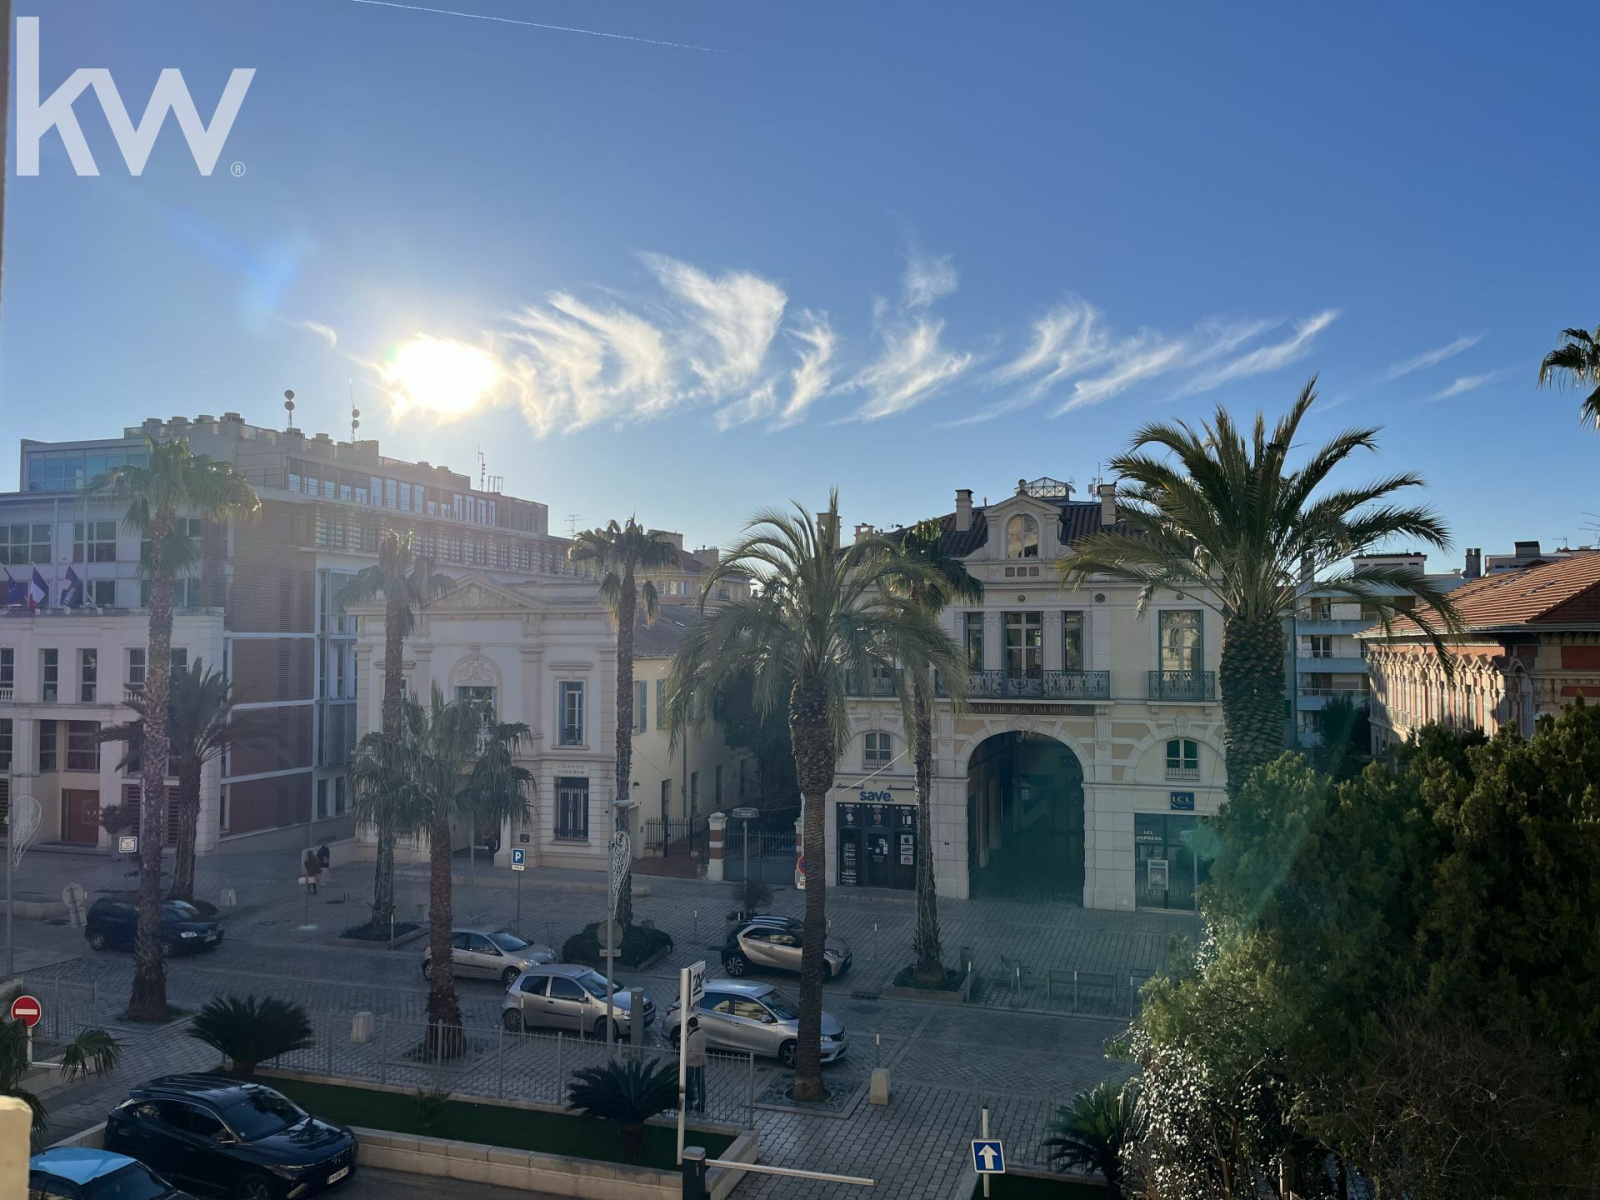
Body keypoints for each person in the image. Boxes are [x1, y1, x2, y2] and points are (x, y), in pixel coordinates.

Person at [685, 1014, 707, 1113]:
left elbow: (695, 1053)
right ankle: (701, 1105)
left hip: (692, 1064)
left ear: (689, 1026)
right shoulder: (702, 1033)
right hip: (701, 1063)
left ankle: (688, 1104)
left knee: (688, 1084)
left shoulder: (693, 1037)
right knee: (701, 1085)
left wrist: (684, 1059)